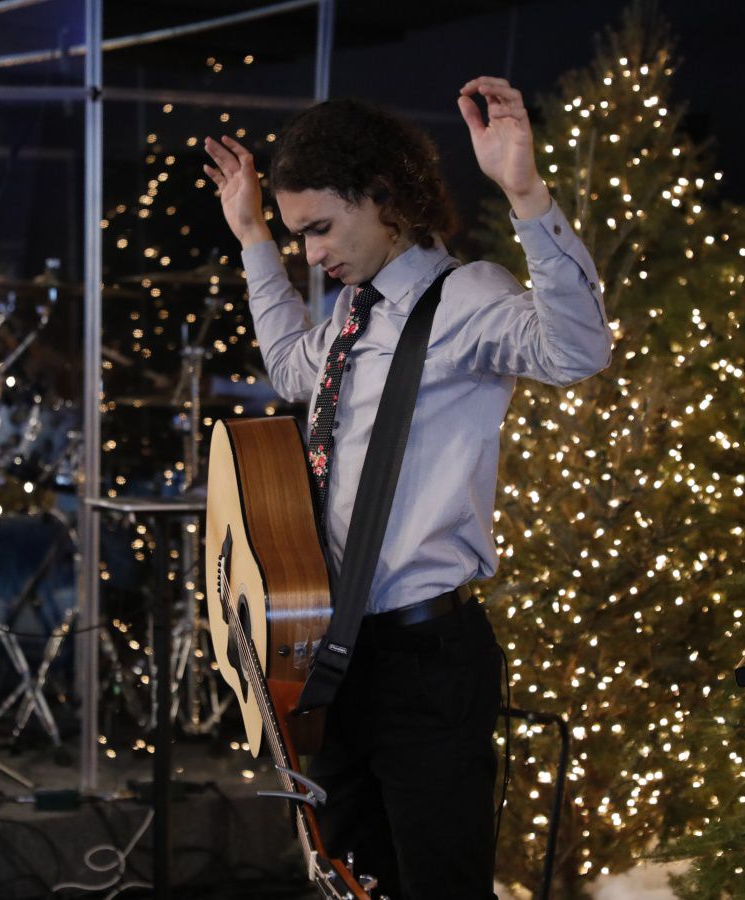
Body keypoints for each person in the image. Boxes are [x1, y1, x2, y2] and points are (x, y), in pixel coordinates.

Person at [203, 76, 610, 900]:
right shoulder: (354, 314)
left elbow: (577, 352)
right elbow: (291, 369)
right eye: (298, 235)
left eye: (320, 228)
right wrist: (253, 238)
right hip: (338, 657)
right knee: (355, 883)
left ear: (383, 196)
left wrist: (526, 194)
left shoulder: (467, 298)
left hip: (425, 662)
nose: (310, 255)